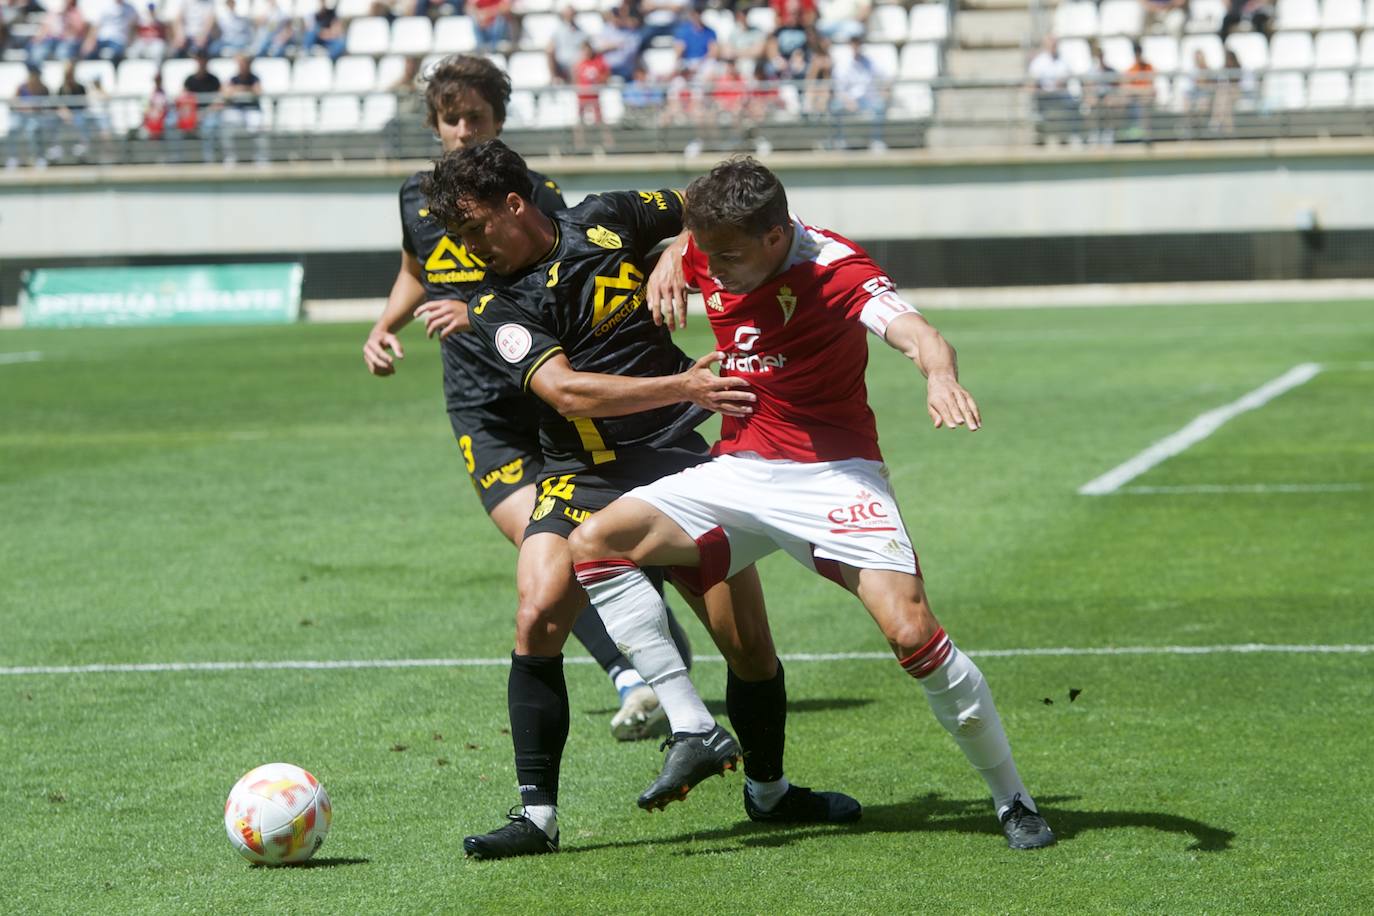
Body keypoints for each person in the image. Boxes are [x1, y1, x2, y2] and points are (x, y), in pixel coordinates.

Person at [568, 157, 1056, 851]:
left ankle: (1013, 799)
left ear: (776, 237)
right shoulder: (712, 246)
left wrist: (939, 376)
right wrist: (674, 253)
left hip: (834, 475)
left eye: (728, 257)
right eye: (706, 253)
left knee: (912, 633)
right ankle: (694, 727)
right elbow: (692, 236)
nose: (716, 270)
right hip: (737, 469)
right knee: (595, 544)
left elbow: (917, 332)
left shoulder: (833, 266)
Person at [425, 139, 859, 860]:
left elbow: (707, 211)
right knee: (535, 617)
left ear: (514, 203)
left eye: (474, 229)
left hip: (676, 462)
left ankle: (770, 792)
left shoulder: (608, 216)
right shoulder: (495, 301)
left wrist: (675, 248)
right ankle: (537, 819)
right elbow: (562, 390)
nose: (469, 248)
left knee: (748, 647)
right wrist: (685, 385)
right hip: (579, 473)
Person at [360, 54, 689, 743]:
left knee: (578, 545)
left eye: (475, 117)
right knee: (546, 551)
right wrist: (384, 326)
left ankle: (650, 666)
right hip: (480, 407)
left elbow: (559, 280)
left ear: (497, 121)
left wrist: (671, 257)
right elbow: (414, 272)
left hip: (543, 396)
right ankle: (641, 673)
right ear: (435, 124)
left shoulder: (536, 193)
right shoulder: (413, 199)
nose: (462, 130)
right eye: (451, 119)